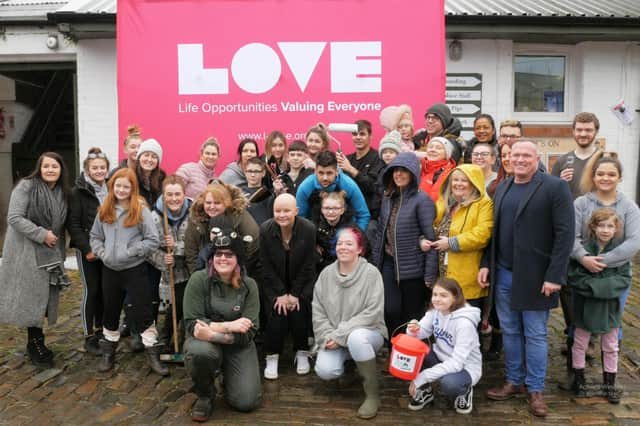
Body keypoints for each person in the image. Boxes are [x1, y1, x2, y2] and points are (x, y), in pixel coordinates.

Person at [478, 141, 574, 417]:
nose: (519, 159)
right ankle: (514, 380)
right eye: (514, 155)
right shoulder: (504, 187)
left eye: (525, 155)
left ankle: (535, 389)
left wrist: (555, 275)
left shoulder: (555, 188)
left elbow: (565, 235)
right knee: (509, 330)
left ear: (537, 159)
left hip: (537, 276)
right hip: (504, 274)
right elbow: (494, 233)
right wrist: (487, 263)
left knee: (535, 334)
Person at [89, 168, 167, 376]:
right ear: (112, 186)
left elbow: (152, 240)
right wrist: (102, 253)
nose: (121, 190)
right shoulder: (105, 209)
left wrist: (132, 252)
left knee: (142, 310)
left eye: (126, 186)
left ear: (132, 188)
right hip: (110, 270)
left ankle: (152, 353)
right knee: (111, 310)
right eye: (118, 185)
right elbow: (95, 236)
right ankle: (109, 352)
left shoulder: (140, 211)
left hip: (134, 269)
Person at [183, 229, 262, 421]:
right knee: (200, 352)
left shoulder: (249, 285)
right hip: (205, 344)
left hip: (238, 345)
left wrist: (212, 333)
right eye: (218, 254)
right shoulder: (198, 280)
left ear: (238, 259)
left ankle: (229, 378)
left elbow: (249, 332)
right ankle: (205, 393)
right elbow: (193, 323)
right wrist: (229, 325)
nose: (223, 259)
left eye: (229, 254)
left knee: (246, 402)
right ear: (212, 258)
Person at [0, 152, 70, 368]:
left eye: (54, 166)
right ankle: (35, 343)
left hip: (50, 253)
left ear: (61, 170)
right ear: (39, 168)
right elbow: (14, 217)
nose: (50, 170)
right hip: (27, 252)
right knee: (33, 299)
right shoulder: (26, 186)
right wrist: (42, 234)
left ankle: (37, 341)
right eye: (46, 166)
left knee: (44, 298)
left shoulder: (62, 192)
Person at [313, 227, 387, 419]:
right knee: (326, 370)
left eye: (349, 243)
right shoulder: (326, 275)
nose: (343, 247)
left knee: (356, 338)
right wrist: (328, 336)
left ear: (360, 249)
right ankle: (351, 367)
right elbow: (318, 311)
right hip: (335, 336)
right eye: (339, 243)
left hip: (369, 333)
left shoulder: (372, 274)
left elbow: (372, 313)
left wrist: (339, 336)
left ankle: (372, 395)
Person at [551, 112, 602, 385]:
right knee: (568, 287)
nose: (583, 134)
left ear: (595, 131)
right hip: (568, 232)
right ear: (573, 131)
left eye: (588, 130)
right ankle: (573, 333)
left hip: (595, 233)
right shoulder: (563, 160)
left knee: (592, 289)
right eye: (579, 129)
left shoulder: (602, 159)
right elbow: (551, 189)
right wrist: (560, 178)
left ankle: (588, 338)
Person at [573, 153, 640, 340]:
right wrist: (584, 258)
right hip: (583, 272)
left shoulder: (629, 207)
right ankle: (578, 361)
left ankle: (610, 365)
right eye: (600, 174)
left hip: (616, 274)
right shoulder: (581, 204)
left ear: (619, 177)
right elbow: (572, 237)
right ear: (593, 176)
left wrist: (601, 261)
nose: (605, 178)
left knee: (612, 324)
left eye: (611, 174)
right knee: (580, 320)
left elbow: (634, 242)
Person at [372, 152, 438, 340]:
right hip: (388, 264)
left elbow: (431, 239)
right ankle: (395, 352)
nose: (398, 175)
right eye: (395, 171)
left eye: (404, 171)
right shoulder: (387, 198)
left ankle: (411, 359)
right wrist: (376, 263)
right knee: (390, 310)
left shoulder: (422, 200)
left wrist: (429, 275)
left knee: (412, 317)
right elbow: (381, 232)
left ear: (413, 174)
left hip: (413, 268)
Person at [569, 208, 630, 404]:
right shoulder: (583, 251)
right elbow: (575, 278)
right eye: (601, 225)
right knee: (580, 343)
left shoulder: (621, 252)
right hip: (585, 305)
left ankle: (609, 384)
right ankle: (579, 380)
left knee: (611, 346)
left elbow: (623, 280)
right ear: (593, 228)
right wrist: (595, 288)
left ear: (616, 228)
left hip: (609, 307)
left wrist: (597, 288)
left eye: (610, 226)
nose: (605, 230)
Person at [260, 194, 317, 379]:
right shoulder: (266, 229)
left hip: (301, 281)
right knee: (278, 309)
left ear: (296, 211)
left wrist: (294, 293)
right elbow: (265, 265)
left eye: (286, 210)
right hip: (274, 282)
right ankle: (272, 354)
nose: (282, 215)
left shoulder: (308, 229)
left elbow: (308, 264)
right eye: (278, 211)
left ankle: (301, 351)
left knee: (299, 307)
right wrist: (281, 293)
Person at [406, 278, 482, 415]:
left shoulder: (464, 324)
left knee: (449, 384)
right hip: (441, 356)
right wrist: (413, 328)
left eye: (443, 295)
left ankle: (464, 390)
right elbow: (419, 333)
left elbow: (456, 364)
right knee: (413, 351)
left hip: (464, 367)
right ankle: (426, 391)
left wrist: (423, 376)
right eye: (435, 294)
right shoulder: (435, 312)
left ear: (455, 297)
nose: (437, 299)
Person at [426, 164, 493, 310]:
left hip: (466, 276)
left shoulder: (483, 204)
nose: (458, 184)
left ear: (474, 183)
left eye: (464, 180)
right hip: (441, 275)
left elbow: (483, 234)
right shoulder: (443, 203)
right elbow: (427, 226)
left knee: (465, 324)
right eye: (455, 180)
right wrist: (423, 239)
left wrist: (451, 243)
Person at [69, 147, 110, 355]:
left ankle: (100, 329)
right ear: (87, 169)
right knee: (91, 290)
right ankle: (88, 336)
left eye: (102, 167)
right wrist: (87, 249)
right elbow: (74, 224)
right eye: (95, 167)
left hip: (106, 248)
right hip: (88, 249)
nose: (99, 171)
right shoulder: (79, 191)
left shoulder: (109, 189)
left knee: (104, 290)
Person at [147, 175, 192, 347]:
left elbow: (199, 241)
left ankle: (172, 335)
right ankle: (166, 336)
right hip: (167, 273)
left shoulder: (194, 212)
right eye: (169, 194)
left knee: (185, 299)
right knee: (176, 300)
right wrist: (162, 259)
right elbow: (148, 247)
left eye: (177, 194)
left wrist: (178, 247)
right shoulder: (154, 217)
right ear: (163, 195)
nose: (174, 199)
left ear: (184, 194)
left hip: (191, 268)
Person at [184, 182, 259, 275]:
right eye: (208, 203)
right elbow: (191, 253)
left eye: (217, 203)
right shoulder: (196, 219)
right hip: (204, 271)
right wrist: (197, 278)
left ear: (226, 203)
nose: (212, 207)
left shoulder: (239, 217)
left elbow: (251, 247)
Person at [296, 151, 370, 232]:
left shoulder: (348, 185)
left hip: (345, 231)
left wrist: (355, 236)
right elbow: (301, 218)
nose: (325, 178)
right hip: (315, 230)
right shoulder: (305, 187)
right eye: (321, 173)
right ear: (315, 171)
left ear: (337, 171)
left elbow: (363, 215)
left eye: (329, 173)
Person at [337, 119, 384, 233]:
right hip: (347, 215)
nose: (358, 137)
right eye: (354, 134)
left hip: (369, 216)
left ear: (370, 136)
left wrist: (351, 169)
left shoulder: (377, 158)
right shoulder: (346, 159)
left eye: (362, 134)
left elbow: (373, 186)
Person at [316, 191, 355, 272]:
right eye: (327, 208)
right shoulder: (315, 229)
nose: (330, 212)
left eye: (335, 208)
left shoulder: (352, 231)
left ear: (342, 210)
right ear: (322, 210)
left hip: (346, 269)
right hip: (322, 270)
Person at [419, 136, 457, 202]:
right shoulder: (417, 168)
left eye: (438, 148)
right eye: (430, 147)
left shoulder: (451, 174)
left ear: (446, 154)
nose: (433, 150)